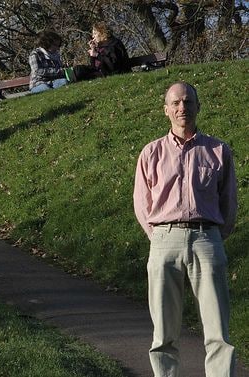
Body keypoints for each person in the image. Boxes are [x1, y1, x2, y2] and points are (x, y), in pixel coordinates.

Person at [133, 81, 237, 377]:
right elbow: (142, 203)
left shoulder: (217, 150)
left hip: (207, 239)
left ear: (197, 107)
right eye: (176, 103)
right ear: (166, 110)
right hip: (164, 240)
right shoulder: (151, 153)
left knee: (218, 329)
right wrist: (159, 236)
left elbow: (228, 201)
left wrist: (215, 236)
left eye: (188, 102)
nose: (182, 108)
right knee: (164, 332)